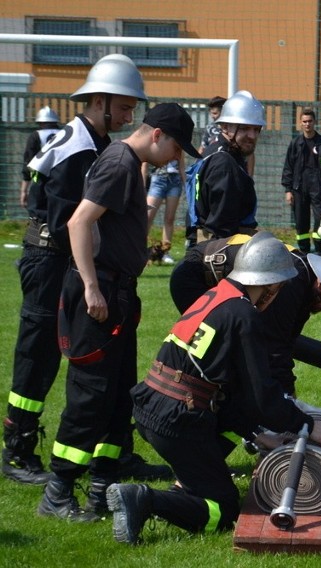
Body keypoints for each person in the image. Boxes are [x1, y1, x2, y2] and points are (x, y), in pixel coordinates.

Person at [106, 232, 321, 544]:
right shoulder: (246, 316)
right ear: (271, 286)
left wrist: (258, 434)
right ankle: (143, 499)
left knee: (220, 458)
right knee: (223, 508)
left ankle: (191, 479)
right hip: (177, 420)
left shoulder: (218, 296)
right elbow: (263, 395)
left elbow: (234, 393)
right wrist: (307, 425)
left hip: (154, 405)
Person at [37, 103, 201, 522]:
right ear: (158, 135)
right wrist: (92, 287)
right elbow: (79, 222)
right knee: (90, 395)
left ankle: (102, 485)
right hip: (100, 295)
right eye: (177, 148)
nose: (177, 159)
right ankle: (58, 491)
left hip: (117, 293)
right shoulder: (120, 163)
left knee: (116, 394)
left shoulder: (128, 163)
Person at [4, 55, 155, 487]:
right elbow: (66, 220)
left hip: (60, 258)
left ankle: (111, 453)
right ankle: (18, 449)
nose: (130, 117)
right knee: (38, 354)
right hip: (50, 259)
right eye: (125, 108)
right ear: (100, 101)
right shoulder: (80, 147)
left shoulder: (93, 140)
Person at [170, 234, 321, 395]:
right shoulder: (292, 284)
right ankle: (193, 400)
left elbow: (285, 346)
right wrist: (289, 408)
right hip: (194, 279)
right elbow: (274, 350)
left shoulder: (303, 285)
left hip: (204, 272)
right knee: (223, 354)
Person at [194, 90, 264, 243]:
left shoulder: (218, 152)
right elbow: (222, 225)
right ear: (225, 127)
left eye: (256, 129)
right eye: (245, 128)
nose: (252, 136)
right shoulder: (224, 164)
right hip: (222, 248)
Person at [282, 107, 321, 255]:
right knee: (301, 223)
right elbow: (288, 167)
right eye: (304, 121)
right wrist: (288, 190)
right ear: (300, 123)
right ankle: (304, 252)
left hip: (318, 188)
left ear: (315, 122)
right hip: (299, 188)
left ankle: (319, 251)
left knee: (320, 221)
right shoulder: (295, 144)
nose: (307, 124)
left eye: (310, 121)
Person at [185, 96, 227, 249]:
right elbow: (202, 149)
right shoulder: (210, 128)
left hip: (221, 173)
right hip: (207, 173)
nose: (213, 116)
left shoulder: (229, 131)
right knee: (197, 205)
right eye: (211, 113)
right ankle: (193, 239)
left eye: (215, 113)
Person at [19, 106, 60, 209]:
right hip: (61, 178)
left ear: (40, 123)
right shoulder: (65, 134)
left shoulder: (35, 135)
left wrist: (25, 190)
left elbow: (29, 162)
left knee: (37, 209)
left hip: (39, 176)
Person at [145, 156, 185, 264]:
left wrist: (186, 184)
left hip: (175, 180)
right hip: (157, 178)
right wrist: (142, 185)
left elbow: (181, 162)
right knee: (147, 217)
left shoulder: (178, 143)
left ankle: (165, 253)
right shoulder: (156, 139)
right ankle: (140, 250)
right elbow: (145, 163)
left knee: (169, 218)